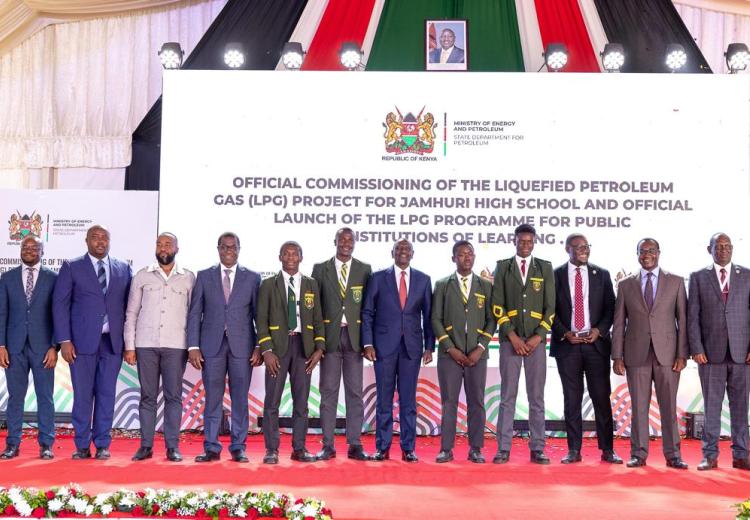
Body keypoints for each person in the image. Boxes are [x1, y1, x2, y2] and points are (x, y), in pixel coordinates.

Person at [53, 224, 132, 460]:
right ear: (86, 241)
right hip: (80, 344)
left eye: (104, 238)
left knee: (107, 395)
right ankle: (82, 445)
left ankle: (103, 444)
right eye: (95, 238)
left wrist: (129, 344)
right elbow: (60, 305)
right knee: (83, 395)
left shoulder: (123, 268)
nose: (100, 242)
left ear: (109, 241)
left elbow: (130, 308)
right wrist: (64, 340)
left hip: (112, 343)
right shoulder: (72, 266)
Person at [612, 238, 688, 469]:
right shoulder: (626, 285)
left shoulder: (675, 281)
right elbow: (619, 322)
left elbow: (682, 320)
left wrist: (682, 354)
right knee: (638, 407)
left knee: (668, 407)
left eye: (651, 251)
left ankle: (673, 455)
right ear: (636, 254)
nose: (647, 254)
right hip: (636, 354)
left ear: (659, 253)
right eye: (642, 251)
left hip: (668, 355)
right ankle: (639, 454)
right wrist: (616, 356)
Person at [186, 232, 260, 463]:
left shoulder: (253, 278)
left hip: (242, 347)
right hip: (211, 346)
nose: (229, 251)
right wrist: (193, 346)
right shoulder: (204, 276)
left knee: (240, 399)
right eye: (224, 247)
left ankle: (238, 446)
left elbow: (259, 315)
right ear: (218, 249)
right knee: (213, 399)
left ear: (240, 248)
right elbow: (195, 312)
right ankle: (211, 447)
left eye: (233, 247)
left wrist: (259, 346)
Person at [551, 233, 622, 464]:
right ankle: (574, 450)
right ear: (567, 249)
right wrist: (564, 333)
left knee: (601, 398)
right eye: (578, 247)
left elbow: (611, 307)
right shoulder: (555, 276)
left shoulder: (601, 274)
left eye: (586, 246)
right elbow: (548, 310)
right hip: (567, 347)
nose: (584, 250)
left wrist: (599, 331)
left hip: (595, 346)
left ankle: (607, 449)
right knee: (571, 400)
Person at [124, 233, 195, 462]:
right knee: (147, 397)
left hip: (176, 346)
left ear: (177, 248)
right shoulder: (142, 276)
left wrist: (194, 346)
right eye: (159, 244)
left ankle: (172, 446)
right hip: (145, 345)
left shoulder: (188, 278)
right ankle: (145, 446)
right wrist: (130, 346)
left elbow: (194, 315)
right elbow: (131, 313)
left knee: (173, 397)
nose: (163, 248)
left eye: (168, 244)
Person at [362, 238, 434, 462]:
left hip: (411, 349)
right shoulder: (377, 278)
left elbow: (429, 317)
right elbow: (367, 313)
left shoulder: (423, 280)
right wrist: (368, 343)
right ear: (391, 252)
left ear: (413, 253)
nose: (403, 252)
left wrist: (430, 347)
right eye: (399, 248)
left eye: (407, 249)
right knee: (383, 400)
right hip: (383, 348)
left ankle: (408, 448)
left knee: (408, 401)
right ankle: (382, 447)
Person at [491, 223, 554, 465]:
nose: (525, 245)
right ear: (514, 241)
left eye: (530, 241)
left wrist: (538, 336)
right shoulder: (503, 267)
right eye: (521, 241)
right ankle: (503, 448)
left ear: (534, 242)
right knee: (508, 396)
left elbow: (550, 308)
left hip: (537, 343)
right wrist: (513, 336)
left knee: (536, 398)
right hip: (511, 342)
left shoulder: (544, 268)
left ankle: (537, 448)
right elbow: (498, 305)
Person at [257, 241, 325, 464]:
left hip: (303, 349)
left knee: (302, 402)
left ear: (301, 258)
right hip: (277, 348)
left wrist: (319, 348)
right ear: (279, 257)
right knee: (272, 402)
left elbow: (317, 318)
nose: (290, 258)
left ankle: (299, 448)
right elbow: (261, 319)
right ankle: (272, 450)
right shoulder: (268, 284)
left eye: (295, 254)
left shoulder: (310, 284)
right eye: (286, 254)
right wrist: (266, 350)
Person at [688, 233, 750, 471]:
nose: (723, 250)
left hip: (741, 354)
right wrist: (696, 348)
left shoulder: (746, 275)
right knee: (711, 407)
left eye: (727, 246)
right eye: (718, 246)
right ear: (709, 249)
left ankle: (741, 455)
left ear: (732, 249)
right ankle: (710, 455)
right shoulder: (698, 277)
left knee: (740, 408)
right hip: (710, 355)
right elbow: (692, 317)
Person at [432, 241, 495, 464]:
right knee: (449, 402)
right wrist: (450, 348)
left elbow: (491, 320)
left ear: (475, 257)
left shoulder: (486, 286)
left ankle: (475, 448)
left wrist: (480, 347)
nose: (466, 258)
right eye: (461, 254)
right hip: (450, 355)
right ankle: (446, 449)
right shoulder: (442, 285)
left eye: (469, 254)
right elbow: (435, 320)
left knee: (476, 402)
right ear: (453, 259)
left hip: (477, 355)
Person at [312, 228, 372, 461]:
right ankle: (328, 444)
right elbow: (315, 308)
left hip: (355, 339)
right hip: (329, 338)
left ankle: (355, 443)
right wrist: (318, 341)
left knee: (355, 393)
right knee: (328, 392)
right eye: (342, 239)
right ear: (334, 241)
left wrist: (368, 342)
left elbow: (368, 310)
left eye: (350, 240)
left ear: (355, 243)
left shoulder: (364, 269)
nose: (346, 243)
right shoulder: (320, 269)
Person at [0, 236, 58, 459]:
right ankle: (12, 444)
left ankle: (46, 444)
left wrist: (54, 346)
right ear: (20, 250)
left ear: (42, 252)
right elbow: (2, 313)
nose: (30, 250)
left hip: (44, 348)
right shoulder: (7, 277)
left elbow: (58, 315)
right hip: (14, 348)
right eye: (26, 247)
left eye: (35, 248)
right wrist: (1, 345)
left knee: (46, 397)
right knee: (15, 397)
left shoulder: (53, 278)